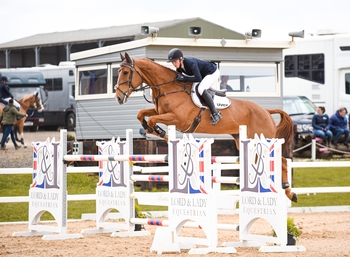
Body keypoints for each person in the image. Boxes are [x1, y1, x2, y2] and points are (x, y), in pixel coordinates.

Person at [167, 48, 222, 125]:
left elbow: (198, 78)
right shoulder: (179, 67)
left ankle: (215, 114)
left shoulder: (190, 63)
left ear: (180, 59)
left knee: (201, 89)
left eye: (175, 61)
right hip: (204, 74)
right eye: (172, 62)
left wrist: (184, 78)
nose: (174, 64)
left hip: (212, 72)